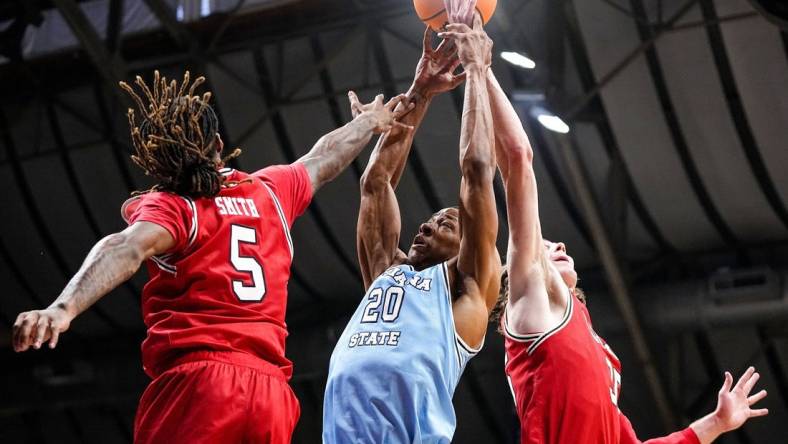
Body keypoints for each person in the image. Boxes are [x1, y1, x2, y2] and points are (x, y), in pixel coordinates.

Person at [11, 70, 410, 444]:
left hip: (198, 385)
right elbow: (322, 159)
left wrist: (62, 309)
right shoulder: (268, 192)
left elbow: (124, 247)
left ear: (156, 162)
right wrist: (368, 122)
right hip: (269, 392)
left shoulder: (176, 208)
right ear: (219, 145)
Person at [487, 41, 770, 444]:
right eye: (545, 246)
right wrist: (480, 68)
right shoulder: (530, 302)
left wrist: (716, 424)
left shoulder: (597, 352)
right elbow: (517, 157)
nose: (559, 246)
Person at [321, 14, 501, 444]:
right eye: (433, 218)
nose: (428, 223)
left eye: (447, 222)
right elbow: (375, 183)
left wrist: (476, 67)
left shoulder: (467, 290)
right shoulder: (387, 273)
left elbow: (476, 171)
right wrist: (421, 92)